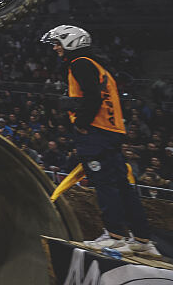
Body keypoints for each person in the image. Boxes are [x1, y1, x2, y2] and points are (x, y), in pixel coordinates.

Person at [42, 24, 160, 257]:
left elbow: (93, 97)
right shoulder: (96, 64)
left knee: (105, 185)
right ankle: (142, 240)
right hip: (111, 131)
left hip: (96, 132)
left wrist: (81, 123)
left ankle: (114, 237)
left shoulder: (80, 63)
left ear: (70, 42)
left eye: (57, 43)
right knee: (123, 186)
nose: (55, 47)